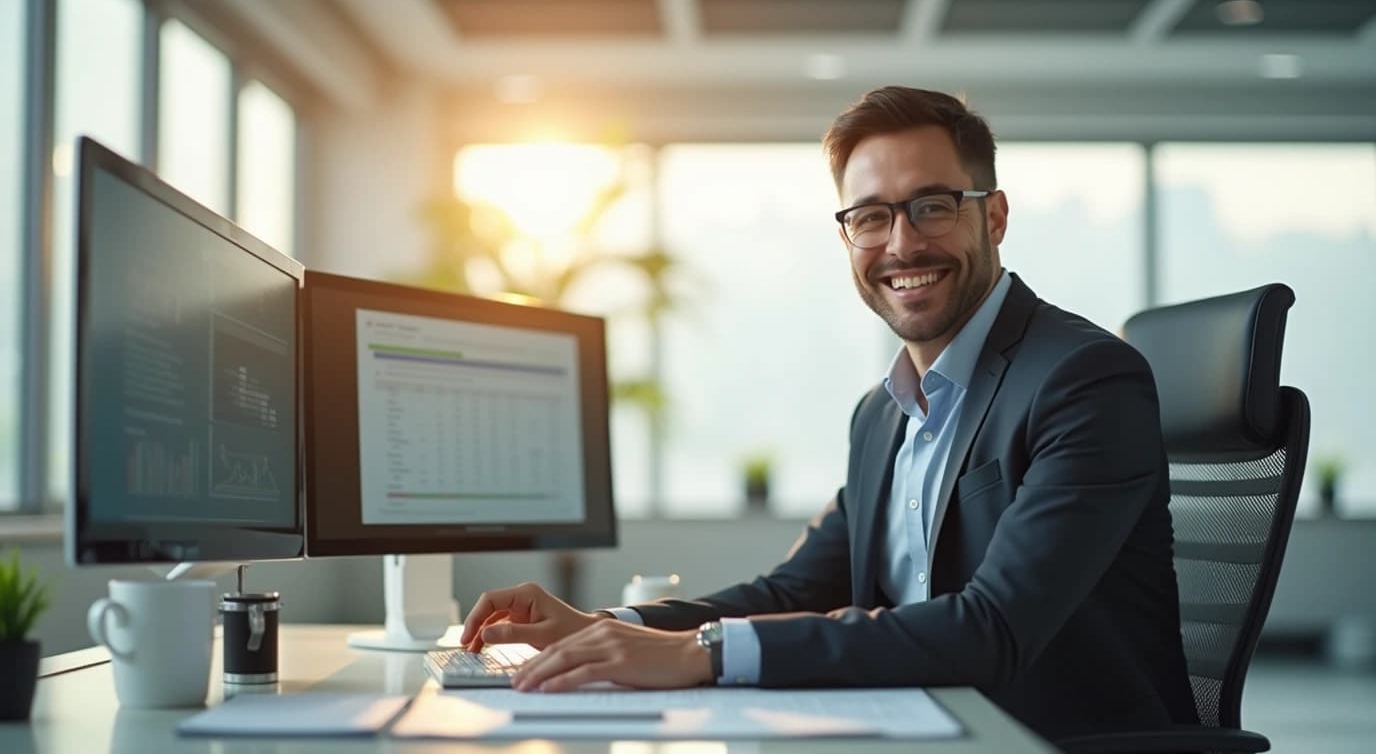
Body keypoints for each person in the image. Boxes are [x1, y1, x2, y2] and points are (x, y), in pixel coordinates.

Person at [458, 86, 1197, 742]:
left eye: (932, 207)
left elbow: (993, 628)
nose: (901, 243)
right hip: (914, 723)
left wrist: (701, 651)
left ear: (994, 217)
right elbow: (799, 590)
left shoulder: (1083, 378)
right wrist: (615, 626)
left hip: (1043, 738)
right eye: (871, 217)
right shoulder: (880, 413)